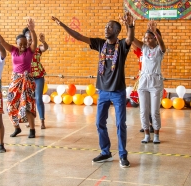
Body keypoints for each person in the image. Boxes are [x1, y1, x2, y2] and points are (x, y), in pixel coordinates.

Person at [51, 12, 135, 168]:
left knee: (120, 124)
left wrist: (130, 25)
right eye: (105, 26)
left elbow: (130, 39)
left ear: (117, 31)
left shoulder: (122, 45)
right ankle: (106, 152)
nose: (106, 28)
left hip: (118, 91)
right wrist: (62, 25)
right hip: (103, 91)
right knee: (99, 123)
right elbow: (79, 36)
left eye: (109, 27)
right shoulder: (100, 44)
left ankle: (123, 155)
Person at [0, 19, 37, 138]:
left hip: (27, 80)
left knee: (26, 105)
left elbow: (34, 42)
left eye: (25, 44)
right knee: (10, 105)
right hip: (15, 79)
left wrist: (32, 30)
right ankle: (17, 127)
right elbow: (3, 42)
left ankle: (32, 130)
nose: (23, 46)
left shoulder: (30, 51)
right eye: (20, 44)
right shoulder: (13, 50)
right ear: (16, 43)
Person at [133, 20, 166, 144]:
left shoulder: (159, 49)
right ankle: (147, 134)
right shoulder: (144, 48)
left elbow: (162, 44)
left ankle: (156, 135)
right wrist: (130, 26)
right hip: (143, 81)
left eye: (150, 38)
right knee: (143, 110)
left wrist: (154, 32)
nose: (147, 40)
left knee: (154, 111)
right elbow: (132, 39)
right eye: (145, 38)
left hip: (155, 82)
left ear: (155, 38)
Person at [22, 28, 48, 129]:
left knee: (38, 98)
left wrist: (43, 42)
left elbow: (44, 48)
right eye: (28, 38)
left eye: (32, 38)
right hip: (27, 78)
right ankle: (30, 120)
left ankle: (42, 121)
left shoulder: (37, 49)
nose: (30, 40)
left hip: (38, 77)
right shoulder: (23, 51)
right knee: (29, 100)